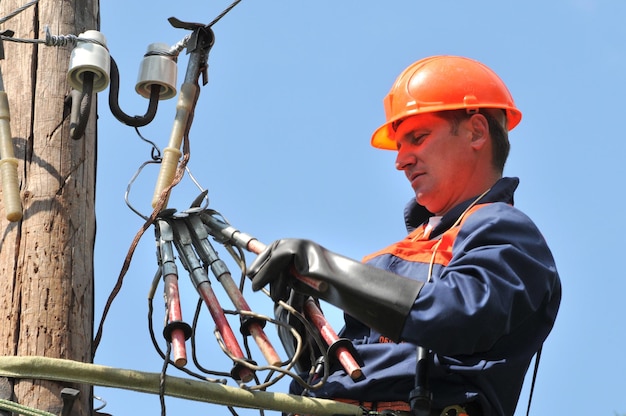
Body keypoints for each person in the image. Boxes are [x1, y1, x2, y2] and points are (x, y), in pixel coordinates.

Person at [247, 55, 561, 416]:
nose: (401, 160)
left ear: (476, 131)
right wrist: (302, 326)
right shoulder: (389, 260)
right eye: (399, 145)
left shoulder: (504, 230)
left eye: (418, 138)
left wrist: (327, 270)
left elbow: (459, 315)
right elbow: (346, 369)